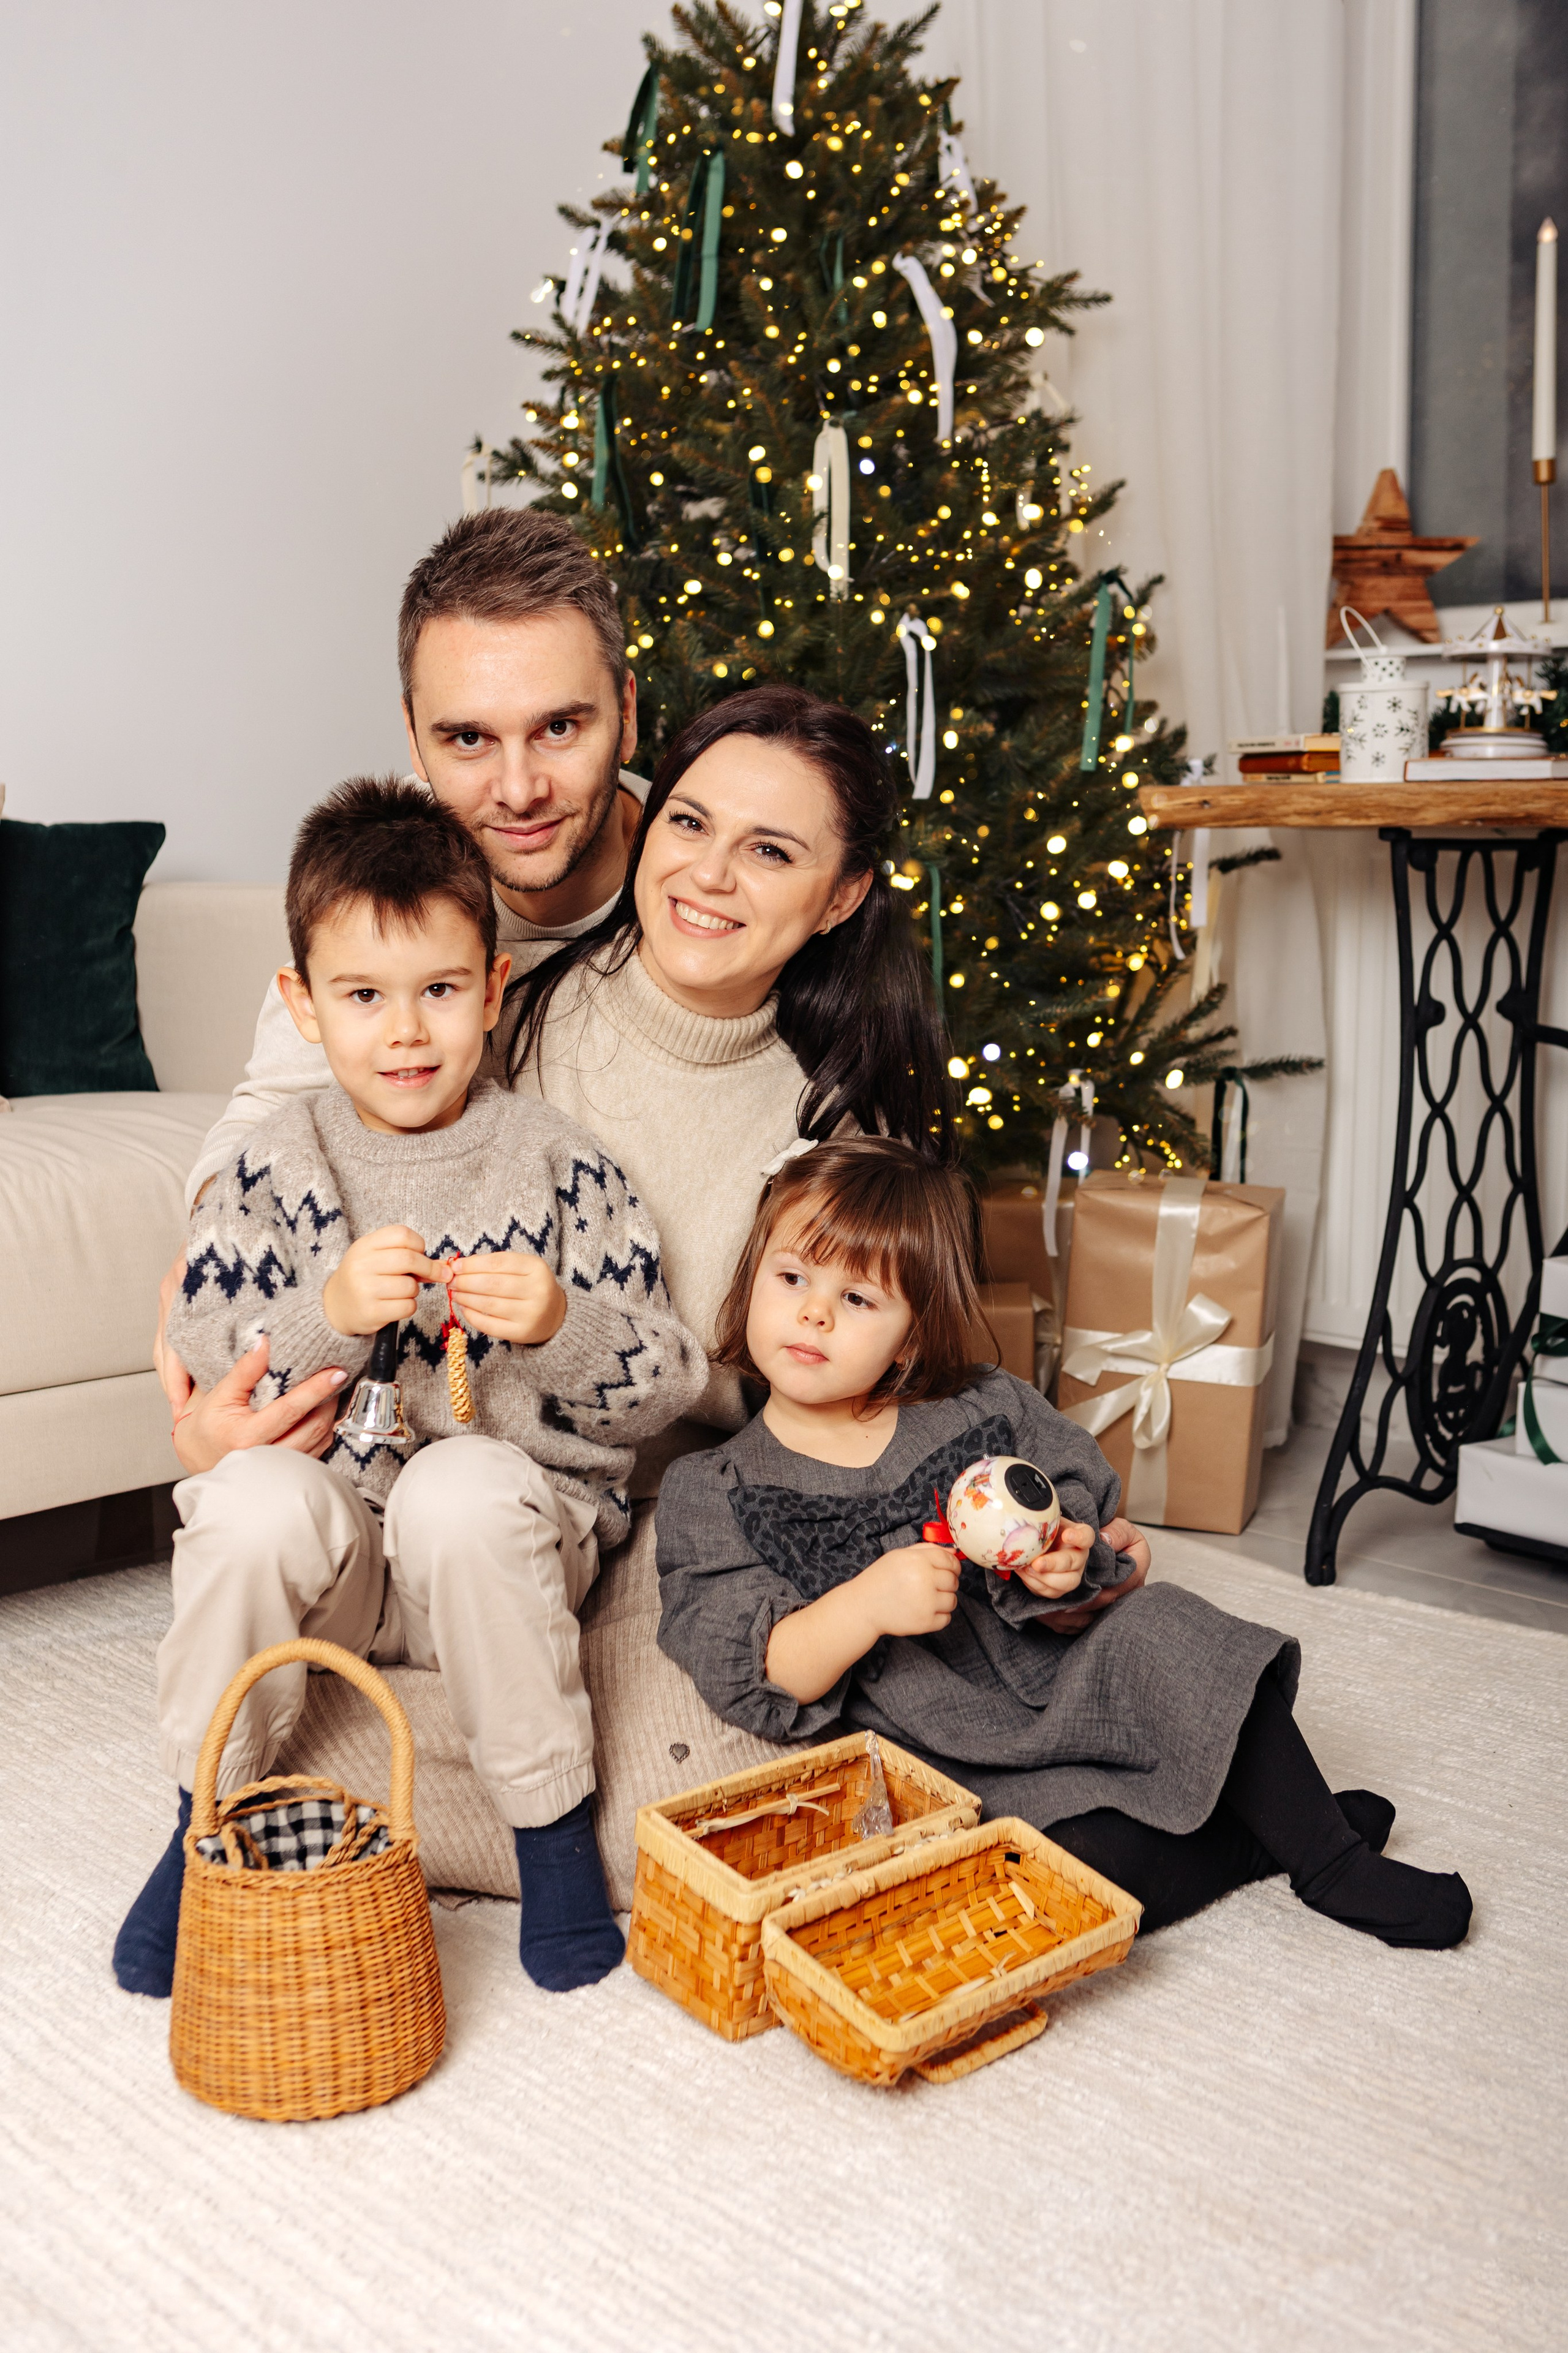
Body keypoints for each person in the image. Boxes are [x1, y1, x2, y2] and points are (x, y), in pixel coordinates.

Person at [116, 778, 705, 2001]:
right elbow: (209, 1341)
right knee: (249, 1505)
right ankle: (200, 1822)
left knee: (459, 1487)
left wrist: (558, 1321)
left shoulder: (558, 1165)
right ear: (302, 1004)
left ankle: (549, 1837)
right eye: (363, 996)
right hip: (338, 1569)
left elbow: (668, 1381)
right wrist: (323, 1314)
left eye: (439, 990)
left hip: (502, 1552)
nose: (404, 1032)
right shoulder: (279, 1166)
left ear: (493, 990)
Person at [654, 1138, 1474, 1952]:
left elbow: (1079, 1518)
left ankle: (1329, 1858)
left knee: (1179, 1635)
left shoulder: (978, 1408)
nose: (814, 1312)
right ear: (751, 1278)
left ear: (909, 1337)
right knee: (1046, 1877)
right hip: (951, 1752)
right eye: (791, 1277)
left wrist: (1068, 1563)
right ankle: (1257, 1834)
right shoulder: (716, 1489)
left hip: (1061, 1671)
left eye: (859, 1298)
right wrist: (864, 1606)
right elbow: (758, 1669)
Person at [157, 505, 651, 1476]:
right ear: (412, 738)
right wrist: (213, 1320)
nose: (517, 788)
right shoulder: (388, 899)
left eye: (560, 726)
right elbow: (264, 1119)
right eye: (467, 738)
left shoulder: (702, 883)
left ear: (627, 710)